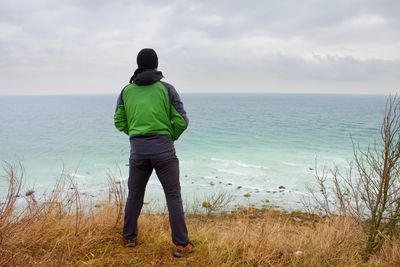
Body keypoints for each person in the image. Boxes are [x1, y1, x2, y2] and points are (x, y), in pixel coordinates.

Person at [113, 48, 194, 257]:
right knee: (173, 196)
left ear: (138, 65)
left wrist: (136, 134)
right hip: (164, 150)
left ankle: (129, 237)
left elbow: (119, 121)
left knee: (135, 195)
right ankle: (181, 244)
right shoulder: (167, 89)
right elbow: (182, 121)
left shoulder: (126, 91)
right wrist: (168, 136)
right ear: (156, 65)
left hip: (138, 152)